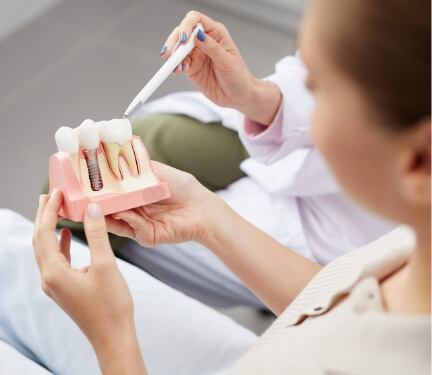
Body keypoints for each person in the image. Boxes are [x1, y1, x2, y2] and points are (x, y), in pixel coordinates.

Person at [2, 0, 430, 373]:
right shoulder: (410, 255)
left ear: (418, 161)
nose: (304, 97)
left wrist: (114, 340)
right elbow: (339, 306)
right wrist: (209, 218)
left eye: (318, 87)